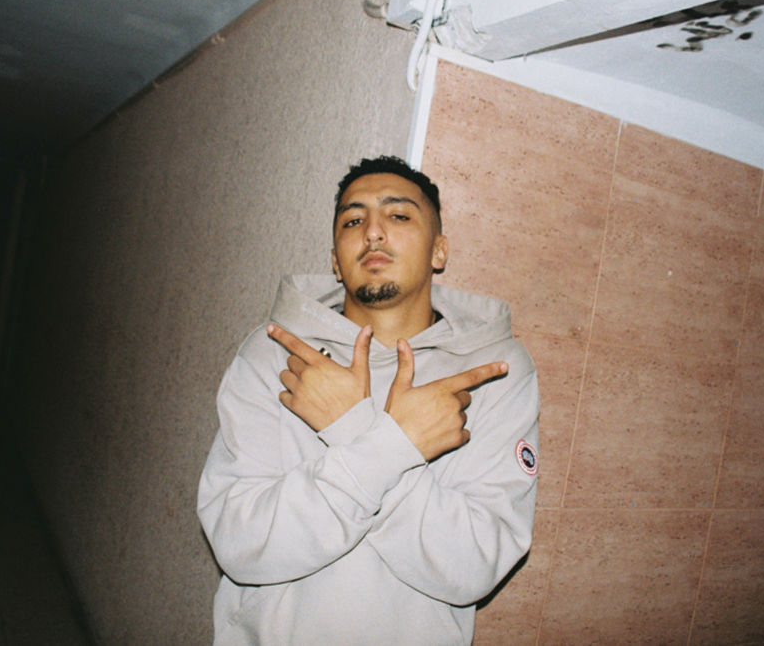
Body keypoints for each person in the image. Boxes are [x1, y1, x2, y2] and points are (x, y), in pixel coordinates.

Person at [198, 156, 540, 646]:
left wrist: (354, 427)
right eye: (353, 221)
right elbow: (239, 543)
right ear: (335, 260)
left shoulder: (498, 371)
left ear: (439, 250)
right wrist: (389, 445)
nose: (373, 232)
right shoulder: (272, 352)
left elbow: (473, 565)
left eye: (398, 215)